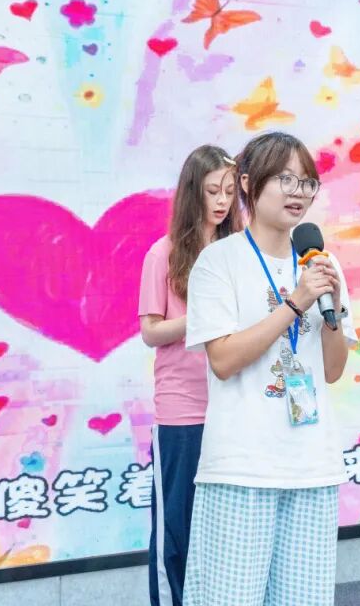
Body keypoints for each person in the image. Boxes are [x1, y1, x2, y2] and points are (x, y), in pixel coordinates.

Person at [182, 131, 355, 606]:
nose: (299, 192)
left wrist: (333, 307)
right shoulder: (218, 261)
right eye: (285, 179)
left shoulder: (322, 264)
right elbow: (223, 360)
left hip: (313, 467)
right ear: (247, 183)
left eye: (307, 182)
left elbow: (333, 370)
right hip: (242, 468)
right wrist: (295, 303)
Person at [138, 144, 241, 606]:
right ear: (191, 192)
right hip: (182, 412)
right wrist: (202, 318)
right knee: (176, 530)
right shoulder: (162, 254)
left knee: (223, 531)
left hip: (233, 406)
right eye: (212, 190)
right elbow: (151, 331)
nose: (222, 201)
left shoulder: (237, 254)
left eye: (230, 191)